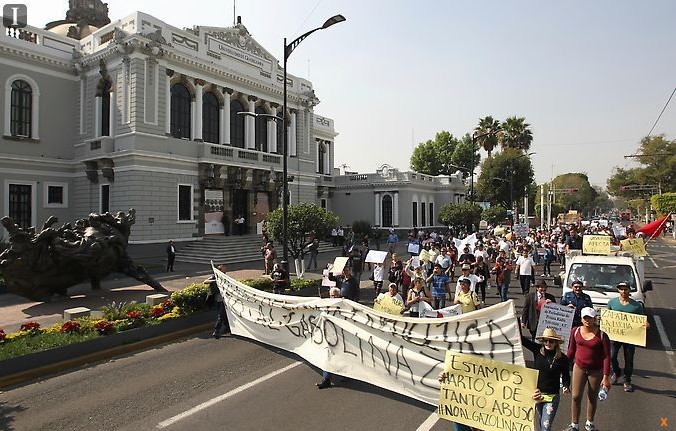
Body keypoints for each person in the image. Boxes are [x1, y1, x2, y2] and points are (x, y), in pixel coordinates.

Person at [565, 307, 611, 431]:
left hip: (595, 371)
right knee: (575, 396)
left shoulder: (602, 335)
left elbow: (607, 357)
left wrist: (606, 377)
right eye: (585, 318)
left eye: (590, 318)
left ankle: (589, 423)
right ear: (581, 319)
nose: (587, 320)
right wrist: (562, 364)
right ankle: (574, 424)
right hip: (579, 367)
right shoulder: (575, 331)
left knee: (592, 397)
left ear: (595, 319)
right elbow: (571, 351)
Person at [521, 328, 571, 431]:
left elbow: (566, 375)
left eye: (551, 341)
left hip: (552, 397)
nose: (548, 343)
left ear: (556, 342)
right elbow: (522, 340)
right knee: (541, 422)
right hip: (537, 394)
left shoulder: (563, 358)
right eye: (545, 340)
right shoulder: (537, 350)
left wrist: (566, 386)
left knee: (546, 426)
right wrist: (516, 321)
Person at [607, 281, 649, 393]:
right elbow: (608, 317)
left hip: (630, 338)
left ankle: (627, 380)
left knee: (629, 360)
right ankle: (616, 372)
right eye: (621, 289)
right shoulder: (612, 303)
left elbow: (642, 319)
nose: (623, 291)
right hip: (615, 336)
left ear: (629, 290)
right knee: (612, 356)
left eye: (626, 289)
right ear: (618, 290)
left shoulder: (636, 305)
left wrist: (646, 324)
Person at [316, 287, 342, 389]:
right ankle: (326, 379)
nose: (333, 297)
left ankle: (348, 374)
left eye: (335, 295)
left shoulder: (343, 305)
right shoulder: (326, 305)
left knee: (341, 357)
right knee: (327, 357)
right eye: (332, 295)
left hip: (341, 337)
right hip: (329, 336)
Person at [205, 266, 229, 338]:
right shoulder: (214, 277)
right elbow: (205, 281)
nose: (225, 272)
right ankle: (216, 331)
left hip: (224, 299)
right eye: (223, 270)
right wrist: (215, 281)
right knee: (221, 315)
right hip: (218, 299)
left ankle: (227, 327)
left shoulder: (225, 277)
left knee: (223, 314)